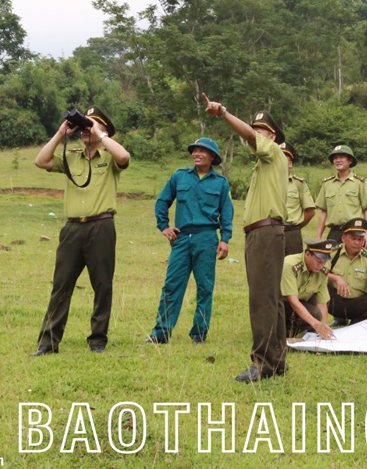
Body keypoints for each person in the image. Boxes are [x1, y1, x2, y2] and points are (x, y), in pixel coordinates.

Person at [202, 94, 289, 383]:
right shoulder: (264, 164)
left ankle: (262, 362)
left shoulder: (274, 152)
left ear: (272, 136)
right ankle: (277, 360)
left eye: (261, 130)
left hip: (265, 233)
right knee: (271, 298)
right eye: (256, 129)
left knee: (261, 299)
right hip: (263, 233)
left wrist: (224, 112)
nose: (255, 133)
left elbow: (250, 135)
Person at [30, 106, 130, 355]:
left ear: (104, 129)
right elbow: (40, 161)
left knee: (102, 285)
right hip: (72, 228)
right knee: (61, 285)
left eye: (92, 126)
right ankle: (48, 342)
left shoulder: (108, 156)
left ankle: (98, 340)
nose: (86, 131)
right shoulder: (72, 156)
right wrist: (61, 133)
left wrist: (101, 134)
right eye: (85, 127)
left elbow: (125, 158)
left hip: (101, 226)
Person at [146, 137, 234, 344]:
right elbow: (162, 201)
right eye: (194, 150)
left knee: (205, 287)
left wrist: (225, 239)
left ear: (212, 157)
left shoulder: (220, 183)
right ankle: (160, 333)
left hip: (207, 238)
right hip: (182, 238)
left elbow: (227, 212)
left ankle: (199, 334)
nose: (196, 154)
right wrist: (163, 226)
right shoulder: (180, 177)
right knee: (172, 285)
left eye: (202, 151)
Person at [326, 217, 367, 326]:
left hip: (357, 302)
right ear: (343, 238)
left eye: (360, 239)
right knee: (316, 290)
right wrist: (336, 278)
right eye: (353, 238)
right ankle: (323, 321)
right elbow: (319, 272)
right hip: (335, 301)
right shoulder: (332, 253)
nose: (356, 242)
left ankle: (356, 324)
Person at [315, 144, 367, 247]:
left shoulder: (359, 182)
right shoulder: (327, 183)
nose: (338, 160)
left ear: (350, 160)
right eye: (335, 158)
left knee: (354, 261)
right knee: (332, 262)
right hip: (334, 232)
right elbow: (324, 212)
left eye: (342, 157)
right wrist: (318, 236)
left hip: (355, 232)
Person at [282, 239, 337, 339]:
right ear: (307, 254)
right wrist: (315, 324)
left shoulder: (322, 271)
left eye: (324, 262)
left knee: (317, 314)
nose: (321, 265)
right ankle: (282, 331)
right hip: (281, 304)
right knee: (314, 315)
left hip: (301, 304)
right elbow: (292, 300)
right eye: (318, 261)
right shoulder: (290, 265)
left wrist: (324, 326)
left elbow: (322, 303)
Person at [281, 142, 315, 256]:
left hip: (292, 233)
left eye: (283, 158)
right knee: (272, 268)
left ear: (290, 164)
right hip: (271, 231)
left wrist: (296, 226)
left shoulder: (298, 183)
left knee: (293, 268)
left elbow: (310, 211)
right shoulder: (266, 182)